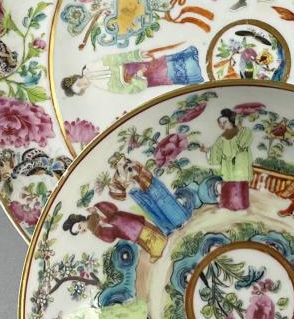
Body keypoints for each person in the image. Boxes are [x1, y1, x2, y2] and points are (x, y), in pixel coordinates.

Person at [61, 46, 202, 97]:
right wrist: (138, 79)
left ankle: (189, 57)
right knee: (161, 76)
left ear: (76, 78)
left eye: (78, 84)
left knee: (160, 65)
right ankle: (193, 72)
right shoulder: (100, 85)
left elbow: (116, 58)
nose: (83, 86)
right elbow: (125, 89)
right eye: (81, 89)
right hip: (138, 78)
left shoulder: (91, 67)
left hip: (133, 67)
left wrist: (137, 54)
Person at [63, 200, 166, 260]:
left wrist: (97, 211)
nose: (81, 230)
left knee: (142, 231)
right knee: (140, 235)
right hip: (122, 228)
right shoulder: (94, 230)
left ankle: (159, 245)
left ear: (81, 220)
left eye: (79, 227)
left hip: (122, 220)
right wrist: (103, 226)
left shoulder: (93, 217)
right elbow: (110, 237)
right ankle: (157, 248)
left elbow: (112, 209)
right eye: (79, 231)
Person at [206, 108, 253, 210]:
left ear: (231, 121)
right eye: (220, 123)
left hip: (240, 164)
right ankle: (226, 203)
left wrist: (240, 128)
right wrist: (207, 151)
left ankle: (240, 205)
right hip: (227, 166)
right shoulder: (222, 137)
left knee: (239, 184)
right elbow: (216, 150)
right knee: (227, 184)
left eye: (224, 122)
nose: (222, 125)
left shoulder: (243, 131)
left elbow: (243, 143)